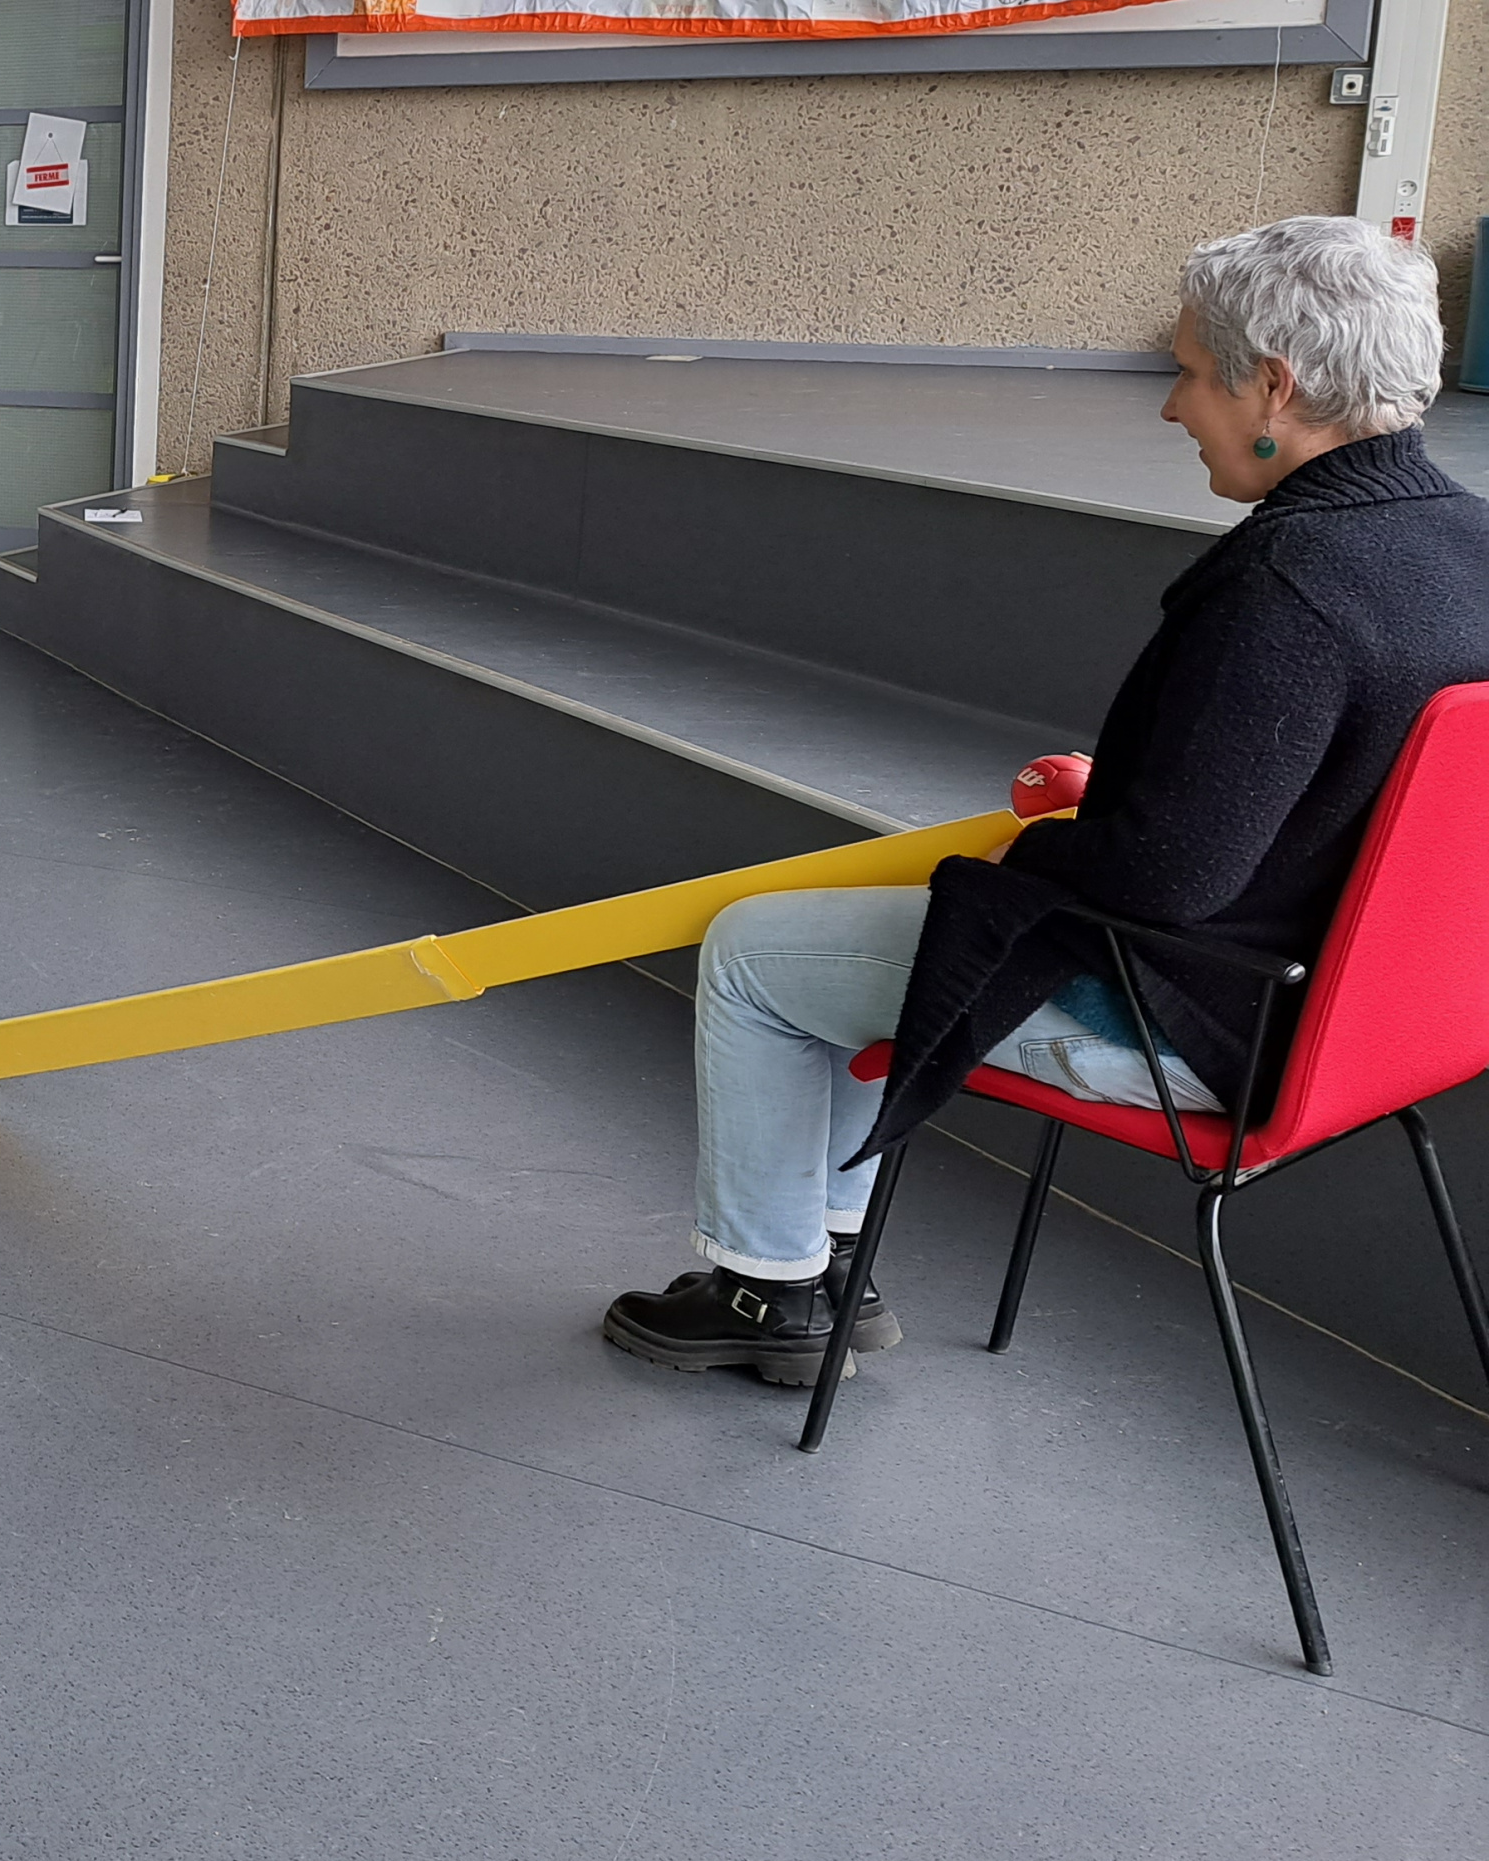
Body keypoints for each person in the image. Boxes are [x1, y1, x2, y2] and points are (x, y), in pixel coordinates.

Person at [607, 216, 1489, 1383]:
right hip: (1387, 1026)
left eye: (1190, 374)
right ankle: (824, 1270)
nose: (1172, 408)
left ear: (1274, 386)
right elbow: (1358, 790)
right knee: (865, 944)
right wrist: (1137, 796)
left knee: (757, 957)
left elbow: (1167, 878)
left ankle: (767, 1293)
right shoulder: (1469, 543)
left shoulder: (1288, 582)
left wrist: (1040, 855)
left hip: (1203, 1023)